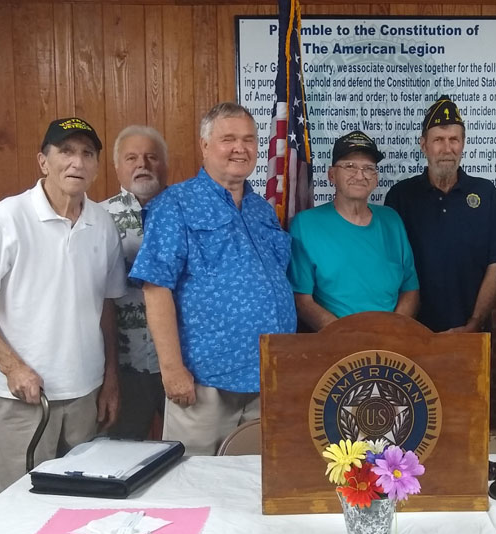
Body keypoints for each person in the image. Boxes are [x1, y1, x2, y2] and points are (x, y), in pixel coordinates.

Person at [0, 117, 125, 497]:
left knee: (79, 506)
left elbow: (106, 307)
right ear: (43, 161)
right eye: (65, 151)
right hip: (25, 399)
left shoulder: (103, 223)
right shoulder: (8, 217)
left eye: (87, 153)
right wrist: (13, 368)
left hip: (85, 397)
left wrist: (110, 379)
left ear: (96, 166)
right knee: (15, 510)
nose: (77, 162)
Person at [129, 102, 296, 456]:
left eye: (249, 140)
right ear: (205, 146)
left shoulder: (260, 209)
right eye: (229, 139)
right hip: (205, 384)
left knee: (256, 487)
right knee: (194, 485)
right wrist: (172, 370)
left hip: (267, 379)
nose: (241, 148)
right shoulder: (175, 204)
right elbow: (156, 287)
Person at [385, 96, 496, 333]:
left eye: (454, 139)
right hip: (412, 332)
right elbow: (391, 267)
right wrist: (402, 326)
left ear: (463, 144)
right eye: (438, 140)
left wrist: (474, 323)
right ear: (423, 145)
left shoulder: (486, 193)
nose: (447, 148)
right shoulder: (400, 196)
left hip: (472, 331)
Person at [288, 131, 419, 330]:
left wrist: (392, 333)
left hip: (391, 348)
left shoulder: (392, 220)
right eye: (350, 166)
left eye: (368, 168)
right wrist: (347, 339)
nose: (360, 175)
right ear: (332, 175)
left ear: (376, 178)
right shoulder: (305, 225)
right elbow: (301, 299)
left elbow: (410, 289)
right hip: (335, 349)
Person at [101, 125, 169, 440]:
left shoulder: (185, 213)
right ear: (117, 167)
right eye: (131, 158)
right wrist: (108, 374)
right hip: (121, 368)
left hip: (180, 362)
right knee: (120, 457)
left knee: (192, 457)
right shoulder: (98, 220)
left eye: (151, 157)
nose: (142, 164)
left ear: (164, 165)